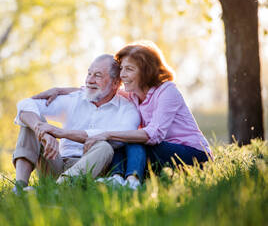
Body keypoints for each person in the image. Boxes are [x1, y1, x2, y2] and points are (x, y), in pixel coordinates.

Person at [35, 41, 213, 190]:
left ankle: (132, 181)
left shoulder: (167, 91)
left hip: (194, 153)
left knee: (127, 138)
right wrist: (60, 90)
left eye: (129, 69)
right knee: (120, 140)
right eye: (122, 69)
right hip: (161, 152)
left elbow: (153, 134)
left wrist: (108, 134)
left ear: (145, 71)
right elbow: (101, 89)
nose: (122, 75)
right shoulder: (134, 95)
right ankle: (117, 179)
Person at [12, 54, 141, 193]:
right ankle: (19, 188)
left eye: (97, 75)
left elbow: (120, 136)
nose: (90, 80)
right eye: (89, 73)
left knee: (105, 146)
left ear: (115, 83)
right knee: (32, 122)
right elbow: (26, 104)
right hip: (56, 161)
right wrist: (41, 131)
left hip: (92, 167)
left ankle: (59, 189)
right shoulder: (74, 99)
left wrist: (61, 133)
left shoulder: (127, 109)